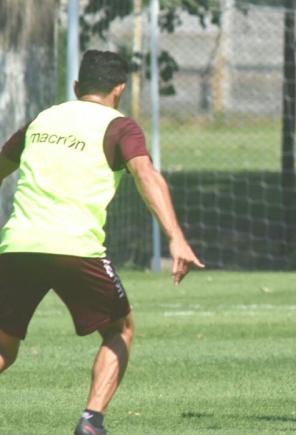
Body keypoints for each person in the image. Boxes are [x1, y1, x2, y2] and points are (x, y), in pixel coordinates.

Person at [0, 50, 204, 435]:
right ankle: (91, 422)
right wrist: (176, 238)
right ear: (120, 89)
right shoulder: (120, 126)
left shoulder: (42, 120)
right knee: (119, 330)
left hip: (18, 245)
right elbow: (146, 174)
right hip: (76, 249)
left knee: (4, 347)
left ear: (76, 87)